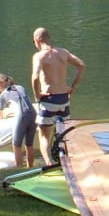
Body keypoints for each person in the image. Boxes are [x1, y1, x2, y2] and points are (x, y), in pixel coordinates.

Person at [31, 26, 86, 166]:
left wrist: (37, 95)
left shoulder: (39, 56)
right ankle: (66, 163)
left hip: (48, 99)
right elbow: (81, 65)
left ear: (37, 40)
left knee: (44, 136)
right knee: (63, 135)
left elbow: (35, 77)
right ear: (49, 38)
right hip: (64, 99)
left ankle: (49, 164)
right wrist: (73, 87)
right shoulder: (63, 52)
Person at [0, 72, 37, 169]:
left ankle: (19, 168)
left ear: (2, 83)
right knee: (29, 144)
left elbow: (0, 115)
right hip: (33, 114)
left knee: (16, 144)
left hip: (22, 116)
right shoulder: (20, 87)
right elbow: (21, 104)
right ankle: (30, 167)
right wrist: (11, 113)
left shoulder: (2, 96)